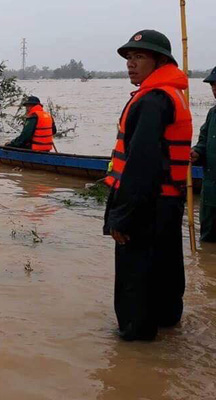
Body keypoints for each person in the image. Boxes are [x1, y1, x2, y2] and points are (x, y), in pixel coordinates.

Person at [103, 29, 192, 341]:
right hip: (166, 202)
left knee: (135, 279)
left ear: (160, 60)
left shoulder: (153, 100)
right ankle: (167, 323)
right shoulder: (169, 94)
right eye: (129, 57)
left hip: (146, 204)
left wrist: (121, 217)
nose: (131, 63)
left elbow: (141, 166)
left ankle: (135, 343)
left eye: (139, 56)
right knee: (164, 267)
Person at [190, 66, 216, 243]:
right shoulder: (212, 113)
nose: (215, 89)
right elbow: (203, 141)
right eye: (213, 85)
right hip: (211, 192)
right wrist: (196, 153)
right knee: (207, 242)